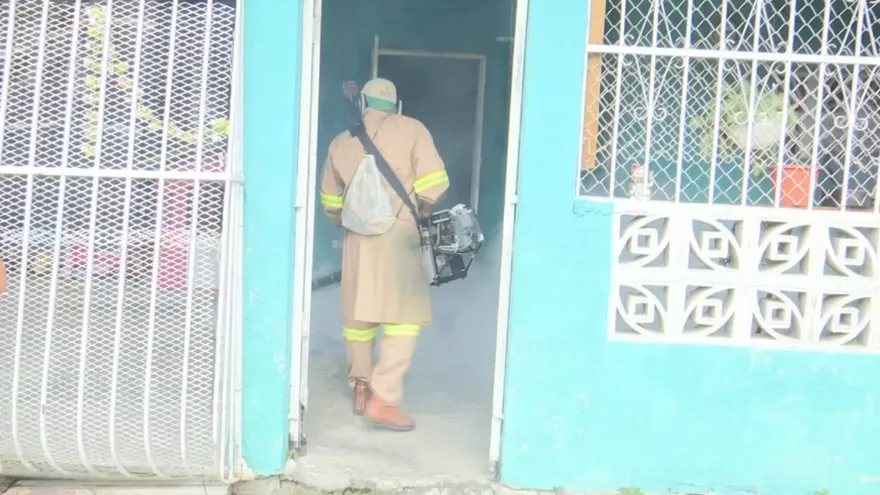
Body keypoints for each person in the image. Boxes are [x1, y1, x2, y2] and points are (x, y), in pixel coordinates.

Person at [320, 78, 448, 431]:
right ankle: (385, 398)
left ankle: (359, 385)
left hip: (357, 240)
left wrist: (349, 222)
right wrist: (419, 211)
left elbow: (330, 202)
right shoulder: (413, 129)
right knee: (405, 317)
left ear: (363, 104)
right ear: (396, 105)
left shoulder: (342, 141)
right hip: (399, 236)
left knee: (358, 319)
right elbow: (434, 184)